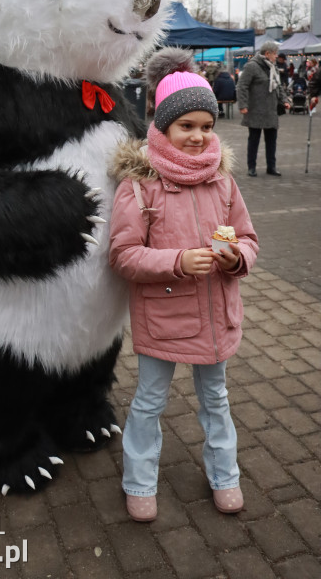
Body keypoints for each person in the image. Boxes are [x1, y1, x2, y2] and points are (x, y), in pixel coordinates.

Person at [109, 47, 259, 522]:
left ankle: (225, 475)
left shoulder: (223, 180)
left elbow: (248, 236)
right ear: (162, 127)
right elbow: (123, 254)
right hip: (165, 319)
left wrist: (237, 257)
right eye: (186, 126)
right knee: (150, 401)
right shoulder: (140, 185)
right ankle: (138, 480)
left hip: (215, 317)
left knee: (216, 400)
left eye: (207, 127)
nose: (198, 137)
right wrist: (176, 261)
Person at [236, 41, 290, 177]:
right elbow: (242, 86)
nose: (277, 56)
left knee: (271, 141)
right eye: (275, 53)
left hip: (271, 111)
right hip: (255, 110)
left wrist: (284, 100)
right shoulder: (252, 66)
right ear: (267, 54)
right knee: (254, 140)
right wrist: (243, 105)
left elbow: (277, 86)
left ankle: (271, 167)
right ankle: (251, 167)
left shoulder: (273, 67)